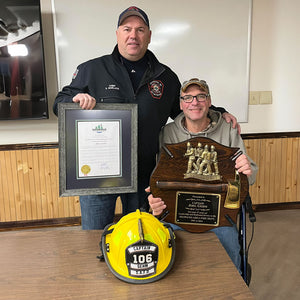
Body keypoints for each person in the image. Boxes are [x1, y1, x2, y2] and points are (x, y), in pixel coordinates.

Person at [53, 6, 239, 230]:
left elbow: (185, 107)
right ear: (117, 33)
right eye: (127, 29)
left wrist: (218, 111)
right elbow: (60, 103)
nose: (133, 35)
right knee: (94, 235)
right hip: (98, 176)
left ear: (149, 36)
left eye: (140, 30)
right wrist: (76, 98)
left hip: (145, 173)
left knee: (141, 235)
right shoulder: (92, 69)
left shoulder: (165, 76)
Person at [147, 78, 258, 272]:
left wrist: (246, 171)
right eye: (188, 98)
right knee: (163, 245)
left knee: (231, 245)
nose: (194, 102)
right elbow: (160, 176)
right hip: (176, 213)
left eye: (200, 96)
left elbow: (248, 174)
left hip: (218, 214)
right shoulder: (167, 133)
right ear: (181, 104)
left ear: (209, 101)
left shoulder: (228, 129)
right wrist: (154, 197)